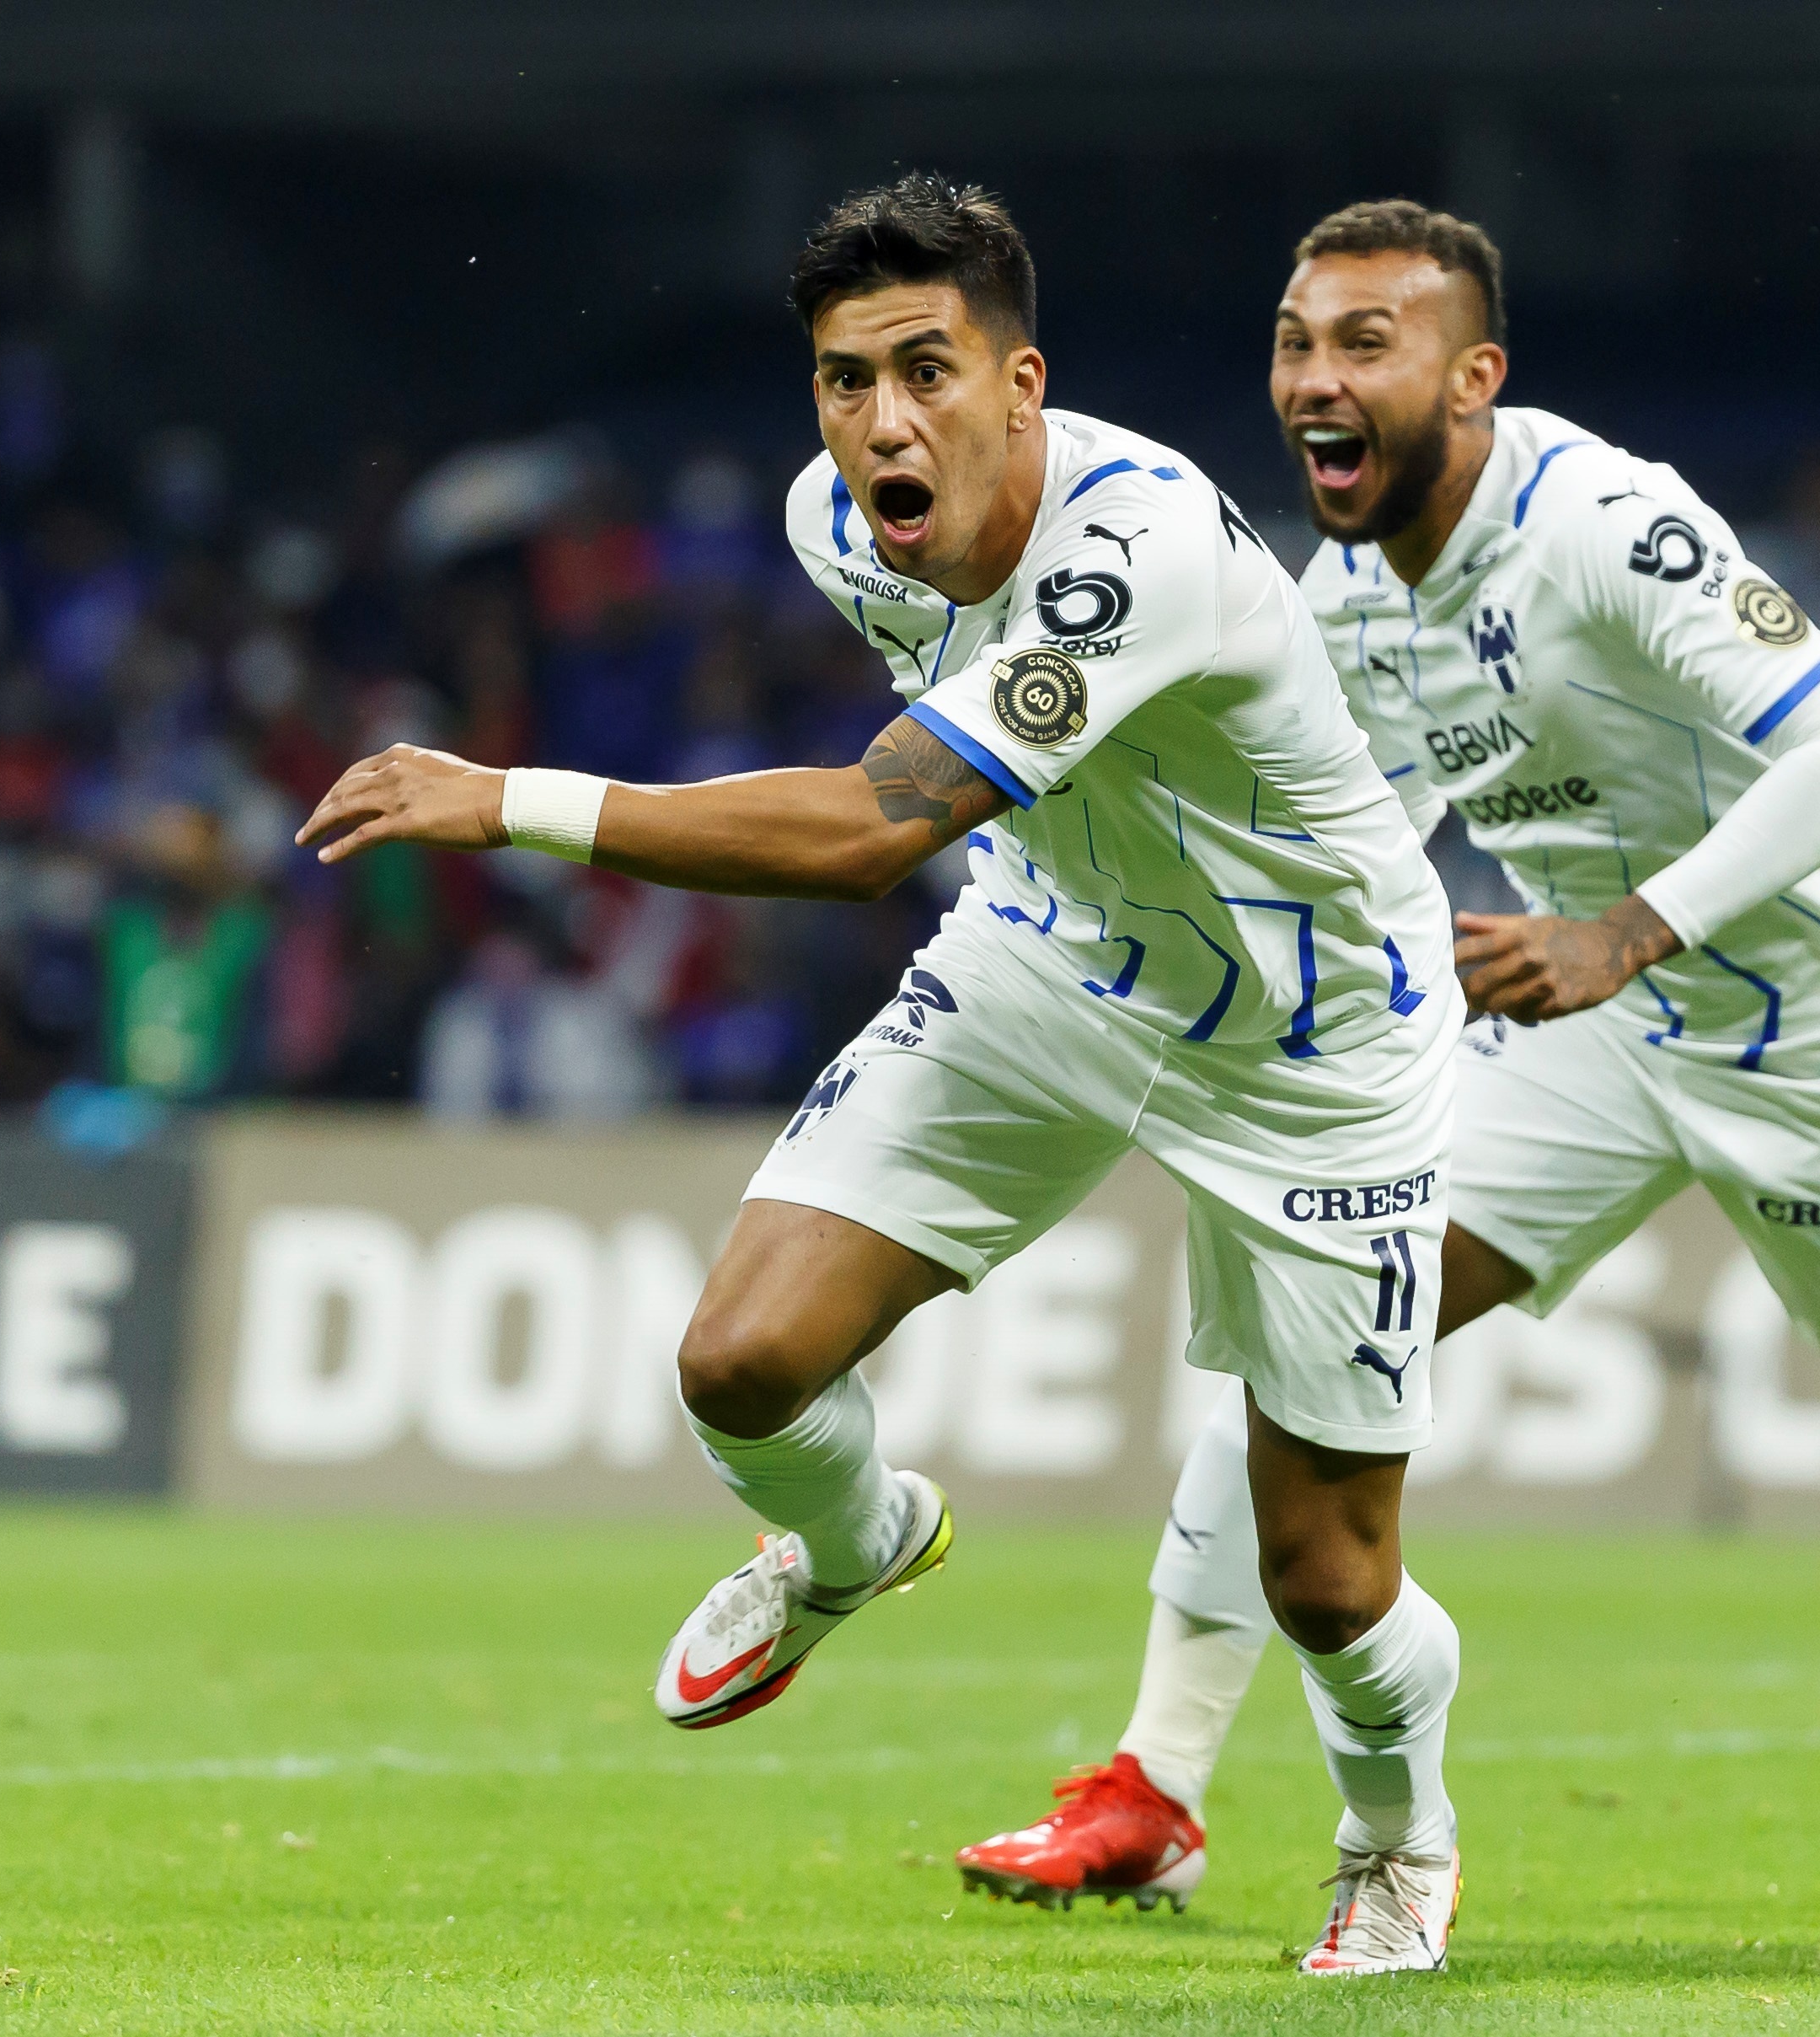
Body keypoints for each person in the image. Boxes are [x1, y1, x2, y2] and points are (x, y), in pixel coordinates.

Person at [951, 200, 1820, 1916]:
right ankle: (1150, 1789)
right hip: (1600, 1035)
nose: (1316, 375)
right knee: (1323, 1317)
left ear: (1473, 376)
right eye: (1299, 339)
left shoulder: (1602, 524)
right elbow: (1333, 835)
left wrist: (1623, 931)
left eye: (1366, 341)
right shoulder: (1347, 602)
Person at [297, 175, 1469, 1976]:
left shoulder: (1131, 548)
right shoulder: (835, 526)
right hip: (1056, 959)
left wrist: (507, 801)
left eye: (927, 371)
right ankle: (851, 1544)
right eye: (847, 382)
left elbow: (869, 828)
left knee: (1325, 1576)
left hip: (1310, 1042)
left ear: (1024, 383)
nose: (883, 424)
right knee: (742, 1364)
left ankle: (1396, 1844)